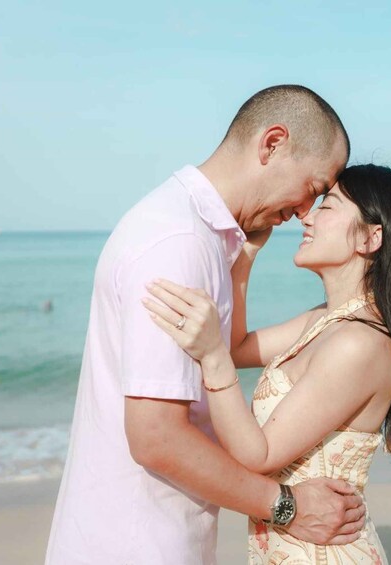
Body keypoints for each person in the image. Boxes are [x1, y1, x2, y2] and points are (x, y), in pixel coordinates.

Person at [45, 85, 367, 565]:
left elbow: (228, 349)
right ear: (272, 143)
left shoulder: (197, 234)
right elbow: (156, 437)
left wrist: (241, 262)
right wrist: (287, 507)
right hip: (136, 543)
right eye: (313, 188)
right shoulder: (179, 243)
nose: (304, 212)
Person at [142, 164, 391, 564]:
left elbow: (257, 455)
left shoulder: (359, 342)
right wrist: (246, 256)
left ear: (372, 237)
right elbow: (239, 347)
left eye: (328, 207)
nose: (308, 216)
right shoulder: (326, 320)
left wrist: (212, 358)